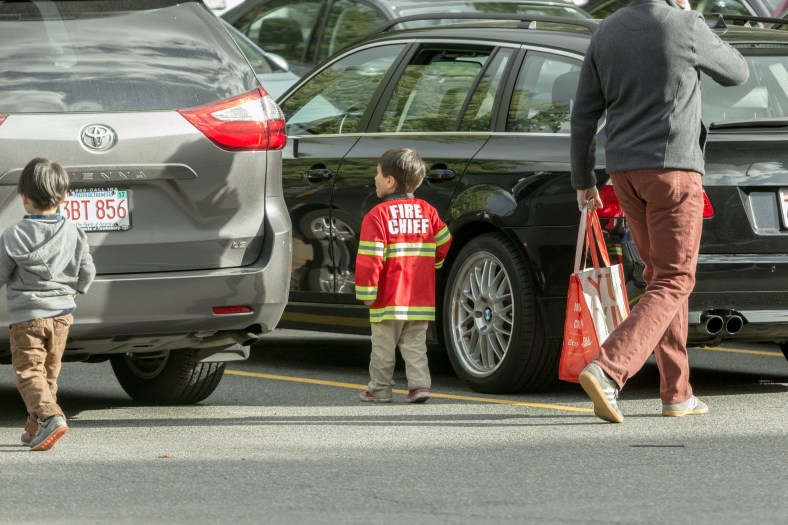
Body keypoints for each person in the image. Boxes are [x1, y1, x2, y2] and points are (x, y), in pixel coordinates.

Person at [570, 0, 749, 423]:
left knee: (661, 281)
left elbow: (583, 114)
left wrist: (584, 180)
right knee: (674, 279)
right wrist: (690, 16)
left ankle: (676, 393)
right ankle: (609, 369)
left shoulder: (606, 31)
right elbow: (737, 71)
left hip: (625, 175)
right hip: (673, 171)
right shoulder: (685, 25)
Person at [2, 158, 95, 450]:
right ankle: (34, 428)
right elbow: (87, 271)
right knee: (48, 374)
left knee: (29, 372)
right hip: (62, 317)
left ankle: (50, 417)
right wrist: (76, 290)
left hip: (27, 318)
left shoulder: (13, 235)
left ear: (24, 198)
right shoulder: (75, 233)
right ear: (64, 197)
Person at [355, 148, 451, 403]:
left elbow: (370, 258)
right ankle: (420, 386)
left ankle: (379, 389)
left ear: (390, 181)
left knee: (383, 347)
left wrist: (367, 292)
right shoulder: (427, 211)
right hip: (420, 296)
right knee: (415, 344)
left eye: (377, 174)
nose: (375, 178)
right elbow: (444, 241)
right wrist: (435, 265)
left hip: (387, 298)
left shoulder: (377, 216)